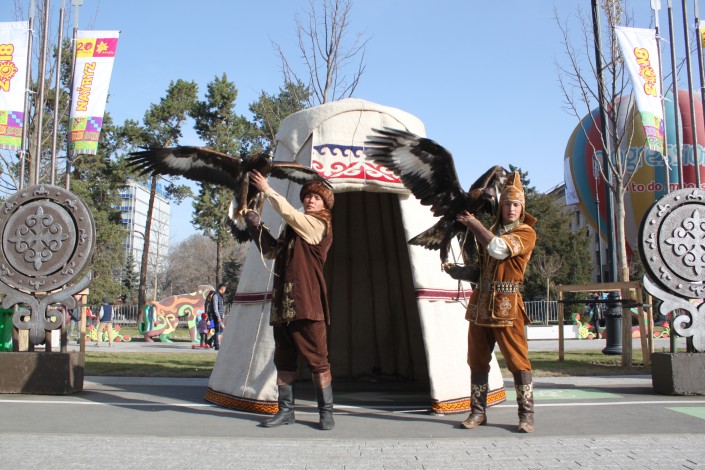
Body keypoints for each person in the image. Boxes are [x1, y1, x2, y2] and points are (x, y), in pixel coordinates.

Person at [245, 170, 335, 431]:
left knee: (317, 359)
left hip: (307, 304)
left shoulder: (319, 225)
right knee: (283, 360)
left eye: (317, 198)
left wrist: (267, 190)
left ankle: (326, 413)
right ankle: (286, 412)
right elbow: (272, 251)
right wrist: (255, 227)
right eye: (307, 196)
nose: (310, 200)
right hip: (283, 305)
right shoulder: (293, 229)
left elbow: (290, 214)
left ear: (325, 204)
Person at [449, 171, 537, 433]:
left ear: (522, 208)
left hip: (507, 306)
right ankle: (478, 412)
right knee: (476, 360)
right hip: (481, 305)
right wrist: (461, 272)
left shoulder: (525, 232)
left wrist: (473, 223)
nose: (511, 208)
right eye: (507, 204)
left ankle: (526, 416)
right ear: (501, 207)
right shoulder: (493, 231)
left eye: (516, 204)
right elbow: (485, 268)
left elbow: (498, 249)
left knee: (517, 361)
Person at [210, 284, 227, 351]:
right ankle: (216, 345)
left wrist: (222, 315)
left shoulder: (221, 296)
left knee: (221, 329)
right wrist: (218, 316)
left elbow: (221, 307)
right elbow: (215, 307)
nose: (225, 291)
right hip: (217, 316)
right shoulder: (216, 296)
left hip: (220, 316)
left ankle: (211, 339)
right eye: (224, 289)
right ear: (222, 289)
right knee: (217, 330)